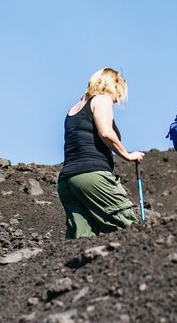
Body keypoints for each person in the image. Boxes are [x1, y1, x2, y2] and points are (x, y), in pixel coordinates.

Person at [57, 68, 144, 238]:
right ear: (113, 86)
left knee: (81, 239)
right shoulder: (102, 100)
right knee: (130, 228)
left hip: (67, 182)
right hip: (92, 175)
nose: (117, 100)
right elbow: (105, 132)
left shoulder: (73, 109)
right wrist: (127, 155)